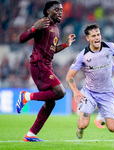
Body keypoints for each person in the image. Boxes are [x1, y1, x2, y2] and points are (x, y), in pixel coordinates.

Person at [16, 1, 76, 142]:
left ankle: (30, 134)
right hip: (39, 64)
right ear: (48, 11)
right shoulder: (42, 23)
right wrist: (33, 29)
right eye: (56, 10)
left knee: (51, 103)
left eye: (61, 10)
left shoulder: (55, 28)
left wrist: (66, 44)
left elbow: (52, 49)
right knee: (61, 92)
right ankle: (26, 97)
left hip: (46, 66)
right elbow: (21, 39)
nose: (60, 12)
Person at [66, 24, 114, 139]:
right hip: (90, 93)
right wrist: (76, 91)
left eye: (98, 35)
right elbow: (69, 76)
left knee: (112, 128)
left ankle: (103, 117)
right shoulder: (83, 55)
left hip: (107, 93)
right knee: (83, 124)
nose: (97, 38)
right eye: (93, 36)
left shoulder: (110, 47)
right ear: (88, 38)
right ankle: (79, 127)